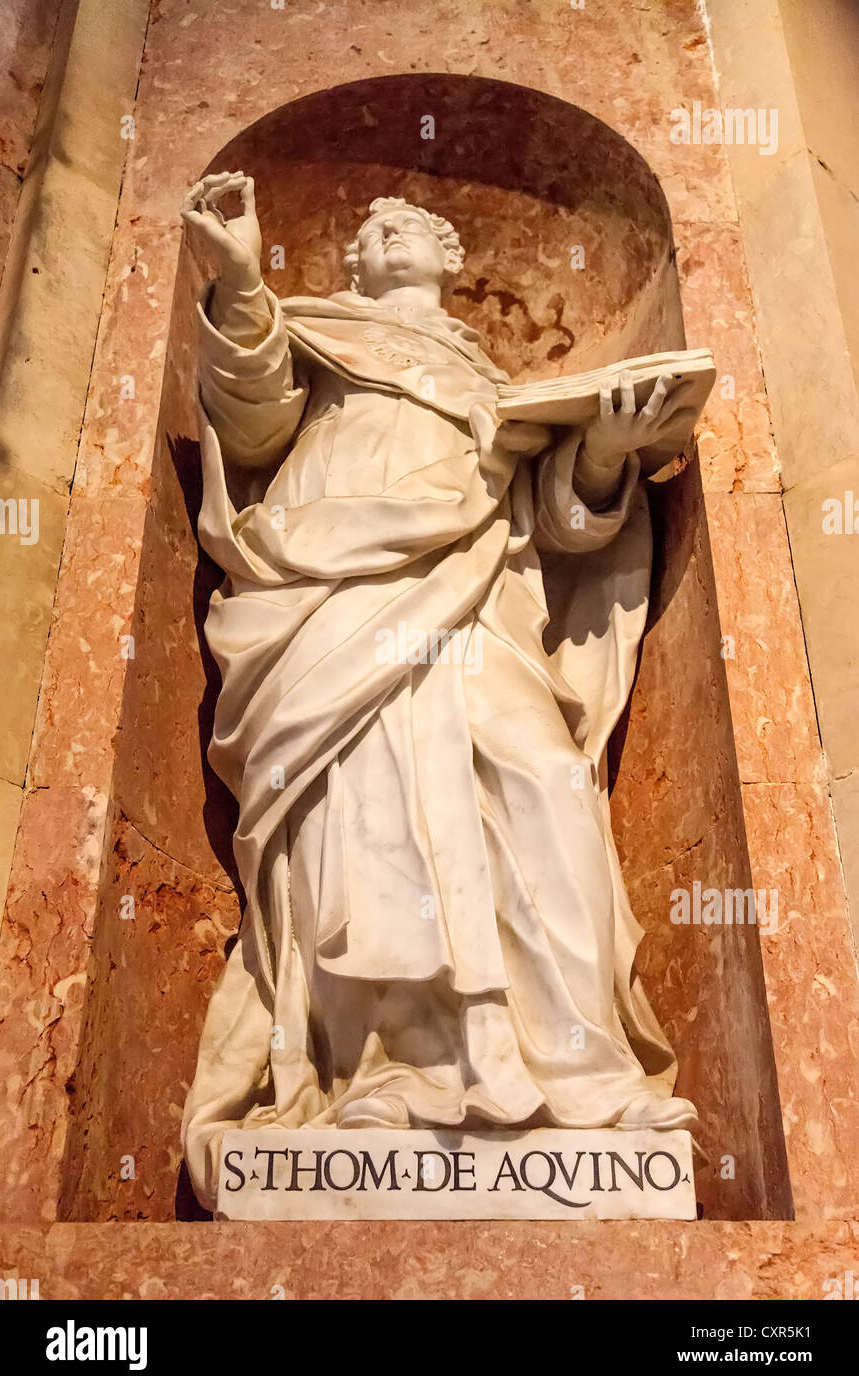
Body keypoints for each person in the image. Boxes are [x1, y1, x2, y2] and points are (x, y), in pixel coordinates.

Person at [179, 170, 697, 1210]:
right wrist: (239, 281)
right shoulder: (317, 333)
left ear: (453, 260)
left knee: (546, 782)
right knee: (369, 815)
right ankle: (386, 1069)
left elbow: (561, 535)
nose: (382, 231)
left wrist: (599, 451)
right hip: (335, 589)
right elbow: (248, 419)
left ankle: (576, 1064)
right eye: (367, 226)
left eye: (405, 222)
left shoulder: (492, 383)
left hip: (480, 602)